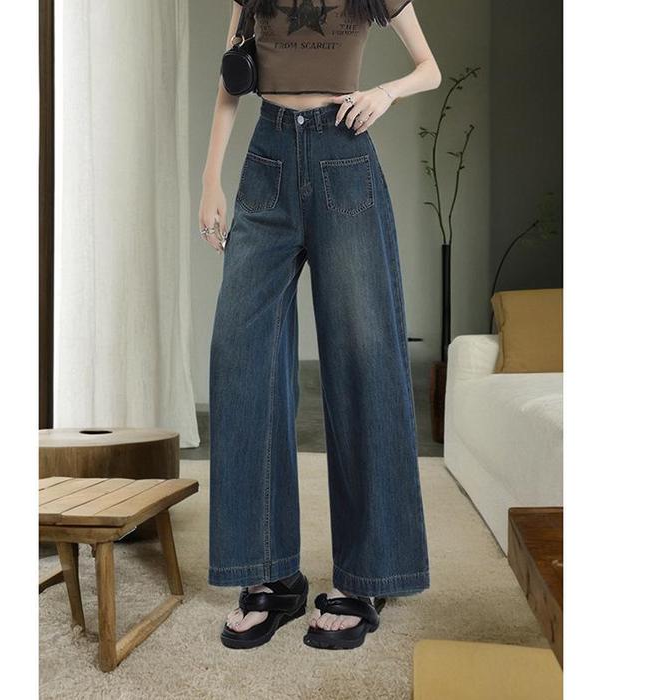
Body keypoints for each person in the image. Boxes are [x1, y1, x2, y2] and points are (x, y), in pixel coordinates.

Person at [198, 0, 441, 650]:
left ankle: (368, 576)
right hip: (267, 161)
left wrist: (384, 93)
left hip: (343, 158)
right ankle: (270, 574)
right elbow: (231, 79)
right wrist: (210, 178)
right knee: (240, 356)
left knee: (364, 361)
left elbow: (429, 67)